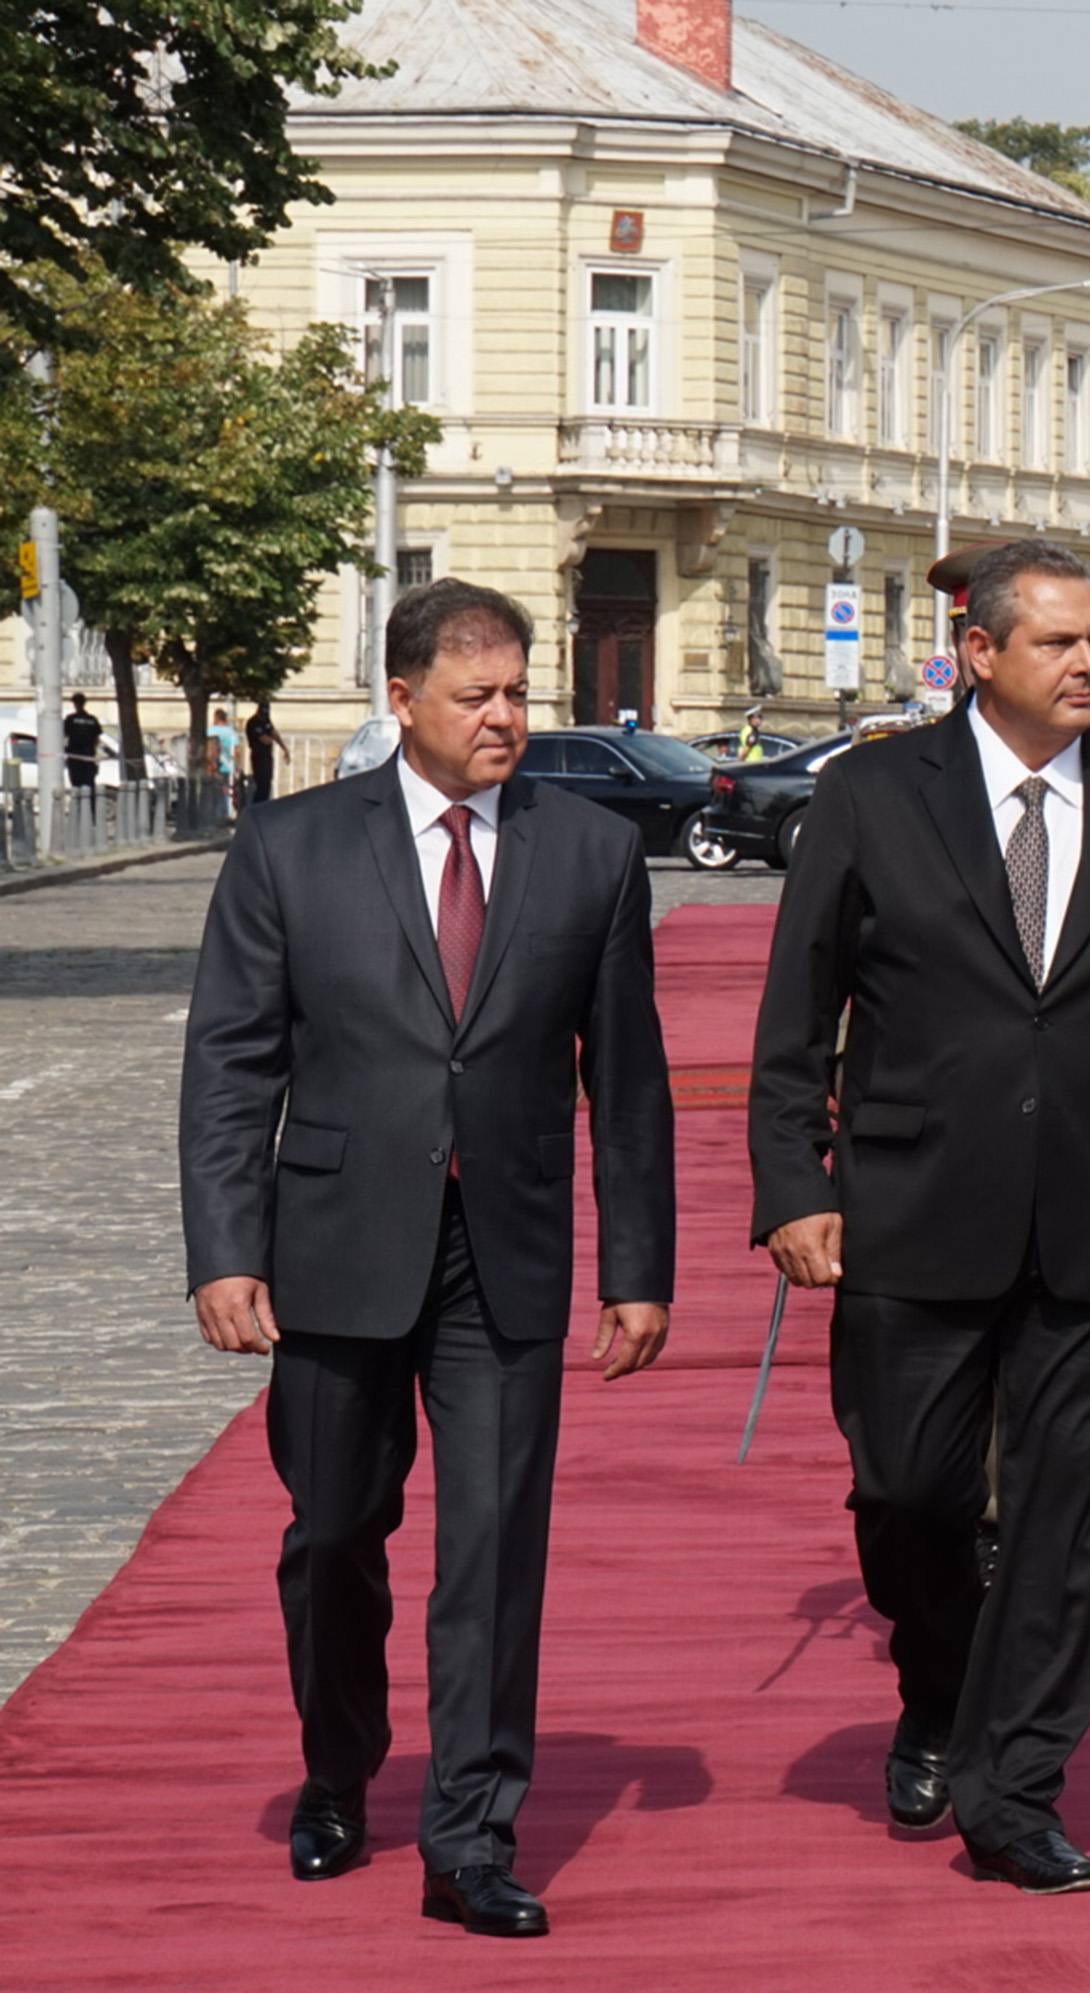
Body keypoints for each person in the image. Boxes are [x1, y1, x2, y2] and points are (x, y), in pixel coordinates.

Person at [748, 536, 1090, 1896]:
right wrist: (792, 1191)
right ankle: (938, 1687)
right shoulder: (872, 795)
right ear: (981, 655)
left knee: (1058, 1519)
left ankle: (1015, 1788)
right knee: (909, 1491)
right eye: (1061, 642)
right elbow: (796, 1017)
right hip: (908, 1210)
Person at [177, 577, 675, 1938]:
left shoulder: (590, 854)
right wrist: (225, 1250)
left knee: (496, 1550)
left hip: (504, 1253)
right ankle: (336, 1768)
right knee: (335, 1529)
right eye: (478, 696)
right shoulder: (290, 848)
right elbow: (231, 1065)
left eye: (520, 691)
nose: (507, 717)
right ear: (401, 700)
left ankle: (471, 1832)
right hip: (335, 1246)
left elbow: (627, 1084)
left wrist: (637, 1267)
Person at [61, 693, 102, 791]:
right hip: (89, 758)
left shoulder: (70, 719)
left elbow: (64, 736)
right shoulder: (92, 720)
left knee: (76, 787)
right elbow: (97, 739)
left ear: (74, 704)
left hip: (75, 758)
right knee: (89, 787)